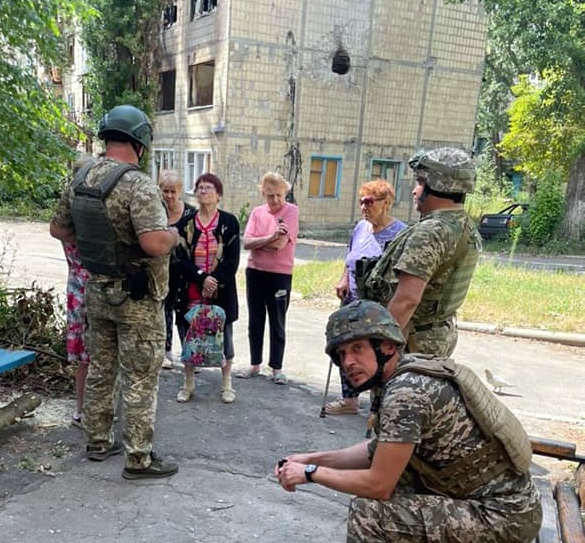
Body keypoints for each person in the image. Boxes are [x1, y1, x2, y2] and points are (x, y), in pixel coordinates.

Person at [276, 300, 542, 543]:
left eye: (358, 348)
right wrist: (311, 459)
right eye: (342, 354)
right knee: (399, 485)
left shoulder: (406, 393)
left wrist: (310, 474)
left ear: (387, 346)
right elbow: (376, 451)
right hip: (500, 502)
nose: (348, 362)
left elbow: (378, 485)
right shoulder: (404, 373)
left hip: (504, 517)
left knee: (369, 514)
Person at [49, 104, 181, 479]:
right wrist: (173, 234)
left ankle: (98, 441)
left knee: (101, 369)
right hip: (136, 297)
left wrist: (98, 245)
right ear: (139, 142)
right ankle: (139, 458)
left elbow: (58, 230)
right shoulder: (137, 183)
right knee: (140, 374)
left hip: (97, 290)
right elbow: (154, 243)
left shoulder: (81, 177)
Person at [361, 147, 481, 357]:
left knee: (396, 391)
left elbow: (407, 299)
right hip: (434, 336)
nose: (415, 190)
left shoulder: (430, 232)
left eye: (420, 183)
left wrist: (380, 348)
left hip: (410, 340)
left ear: (435, 185)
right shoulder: (463, 224)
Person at [325, 179, 406, 415]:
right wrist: (343, 279)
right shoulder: (361, 228)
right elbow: (350, 257)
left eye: (369, 202)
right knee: (346, 348)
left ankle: (379, 404)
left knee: (376, 354)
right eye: (361, 202)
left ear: (386, 202)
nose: (364, 207)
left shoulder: (400, 233)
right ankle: (349, 400)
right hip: (353, 303)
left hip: (379, 307)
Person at [172, 173, 240, 404]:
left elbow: (232, 260)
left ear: (219, 194)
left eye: (209, 188)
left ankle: (227, 383)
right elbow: (180, 258)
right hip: (191, 289)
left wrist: (214, 280)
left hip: (221, 291)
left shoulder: (229, 222)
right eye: (200, 188)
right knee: (189, 336)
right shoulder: (187, 223)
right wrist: (202, 278)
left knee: (225, 336)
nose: (203, 191)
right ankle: (189, 383)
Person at [236, 171, 299, 385]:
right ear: (263, 194)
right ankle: (254, 364)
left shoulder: (291, 211)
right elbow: (246, 243)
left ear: (285, 193)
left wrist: (261, 241)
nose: (275, 200)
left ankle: (276, 368)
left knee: (277, 321)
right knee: (255, 320)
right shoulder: (256, 212)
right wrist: (270, 237)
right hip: (255, 271)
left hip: (280, 274)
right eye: (270, 195)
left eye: (279, 195)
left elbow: (279, 245)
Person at [59, 154, 96, 428]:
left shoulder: (67, 209)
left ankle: (82, 409)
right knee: (95, 355)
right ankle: (87, 410)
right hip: (90, 287)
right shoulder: (85, 212)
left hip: (77, 287)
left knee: (87, 356)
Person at [158, 170, 196, 370]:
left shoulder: (191, 214)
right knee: (164, 310)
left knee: (185, 311)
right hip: (161, 270)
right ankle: (166, 353)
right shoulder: (155, 212)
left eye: (173, 191)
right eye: (165, 191)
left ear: (180, 191)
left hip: (185, 272)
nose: (169, 196)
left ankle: (189, 353)